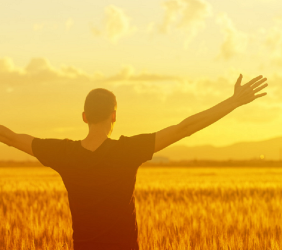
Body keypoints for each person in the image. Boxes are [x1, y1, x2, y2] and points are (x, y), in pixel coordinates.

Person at [0, 74, 268, 250]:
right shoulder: (127, 150)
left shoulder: (63, 153)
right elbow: (186, 127)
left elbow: (10, 137)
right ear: (114, 116)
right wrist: (233, 102)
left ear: (84, 116)